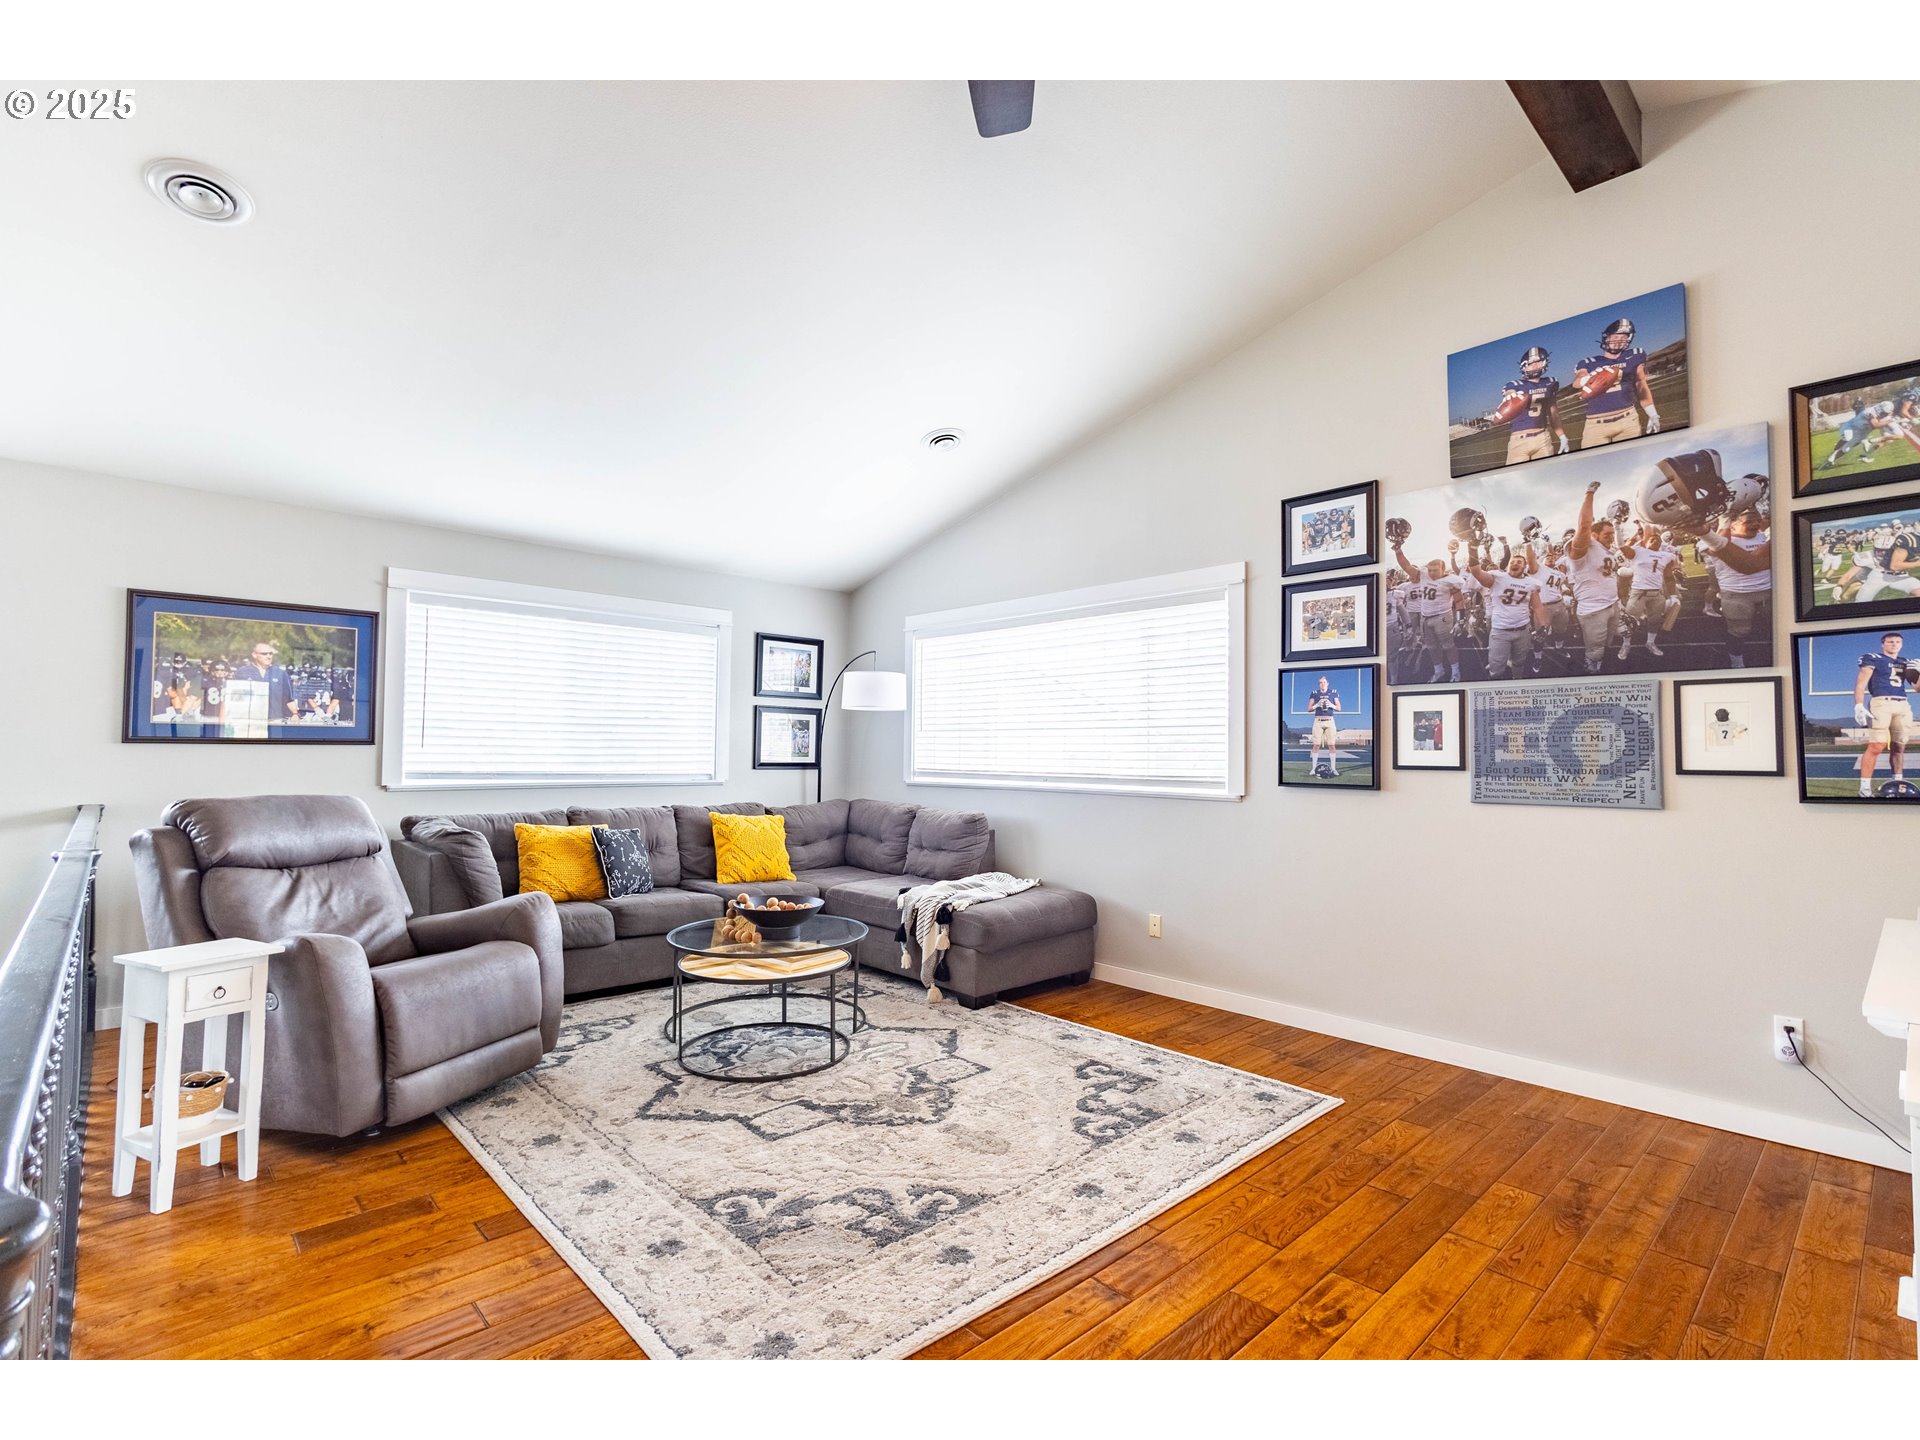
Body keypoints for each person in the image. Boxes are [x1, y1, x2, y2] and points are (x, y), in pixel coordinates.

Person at [1696, 504, 1772, 668]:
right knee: (1739, 631)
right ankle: (1736, 663)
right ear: (1733, 524)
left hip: (1769, 591)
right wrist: (1725, 517)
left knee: (1774, 626)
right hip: (1737, 594)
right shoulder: (1714, 540)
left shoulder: (1763, 536)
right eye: (1749, 521)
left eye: (1757, 520)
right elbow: (1716, 548)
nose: (1755, 524)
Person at [1392, 534, 1468, 683]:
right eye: (1430, 570)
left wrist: (1460, 621)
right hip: (1425, 618)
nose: (1431, 572)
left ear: (1443, 569)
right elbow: (1406, 566)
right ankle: (1439, 670)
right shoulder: (1424, 575)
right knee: (1432, 647)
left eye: (1435, 570)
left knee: (1448, 645)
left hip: (1442, 617)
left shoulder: (1451, 580)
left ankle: (1455, 671)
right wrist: (1398, 551)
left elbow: (1459, 601)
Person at [1463, 543, 1547, 680]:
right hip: (1500, 631)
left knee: (1519, 662)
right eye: (1513, 561)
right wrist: (1472, 547)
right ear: (1508, 565)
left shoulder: (1532, 582)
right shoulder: (1497, 578)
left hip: (1523, 630)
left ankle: (1516, 681)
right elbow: (1476, 572)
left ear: (1525, 566)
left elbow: (1537, 606)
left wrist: (1543, 626)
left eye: (1520, 562)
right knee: (1496, 668)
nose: (1515, 563)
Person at [1567, 480, 1626, 672]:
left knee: (1608, 642)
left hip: (1611, 604)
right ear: (1594, 535)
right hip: (1593, 609)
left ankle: (1598, 662)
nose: (1610, 537)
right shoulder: (1587, 547)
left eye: (1611, 534)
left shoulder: (1607, 550)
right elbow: (1584, 525)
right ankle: (1592, 667)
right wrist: (1590, 493)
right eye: (1606, 534)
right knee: (1595, 648)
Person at [1574, 317, 1659, 447]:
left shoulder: (1635, 355)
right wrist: (1588, 378)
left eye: (1623, 337)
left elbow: (1641, 384)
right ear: (1607, 337)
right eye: (1616, 335)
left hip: (1628, 420)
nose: (1619, 340)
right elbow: (1577, 382)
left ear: (1629, 340)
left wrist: (1652, 413)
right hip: (1596, 426)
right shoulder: (1589, 362)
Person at [1853, 632, 1916, 798]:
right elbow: (1861, 683)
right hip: (1881, 702)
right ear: (1883, 644)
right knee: (1877, 745)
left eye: (1897, 642)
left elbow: (1917, 688)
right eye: (1890, 642)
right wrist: (1858, 705)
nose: (1894, 644)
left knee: (1899, 746)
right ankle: (1865, 789)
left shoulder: (1905, 662)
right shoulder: (1873, 658)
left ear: (1901, 644)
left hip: (1902, 704)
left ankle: (1898, 783)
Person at [1490, 346, 1568, 465]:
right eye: (1531, 363)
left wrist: (1562, 436)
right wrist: (1510, 396)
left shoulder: (1550, 383)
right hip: (1519, 441)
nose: (1535, 366)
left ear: (1545, 362)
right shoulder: (1515, 385)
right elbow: (1509, 392)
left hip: (1543, 438)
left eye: (1538, 362)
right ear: (1524, 366)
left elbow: (1553, 413)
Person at [1618, 524, 1682, 661]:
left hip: (1657, 593)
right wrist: (1617, 527)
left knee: (1655, 620)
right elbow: (1621, 546)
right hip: (1638, 593)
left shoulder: (1666, 555)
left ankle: (1650, 642)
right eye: (1652, 538)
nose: (1655, 539)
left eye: (1658, 538)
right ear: (1645, 542)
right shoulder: (1638, 551)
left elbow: (1669, 577)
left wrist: (1674, 595)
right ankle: (1626, 644)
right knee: (1629, 622)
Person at [228, 639, 300, 729]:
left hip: (275, 721)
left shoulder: (280, 673)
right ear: (254, 655)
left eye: (270, 654)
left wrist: (295, 714)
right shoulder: (242, 672)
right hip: (250, 722)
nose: (268, 656)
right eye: (264, 654)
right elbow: (235, 699)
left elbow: (289, 698)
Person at [1304, 675, 1342, 778]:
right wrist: (1317, 705)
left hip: (1330, 721)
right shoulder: (1315, 693)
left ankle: (1333, 769)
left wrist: (1331, 705)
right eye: (1320, 682)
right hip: (1318, 721)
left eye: (1324, 682)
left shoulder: (1333, 692)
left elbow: (1339, 708)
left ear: (1327, 683)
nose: (1322, 684)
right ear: (1319, 684)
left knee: (1331, 745)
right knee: (1316, 745)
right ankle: (1313, 768)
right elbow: (1309, 709)